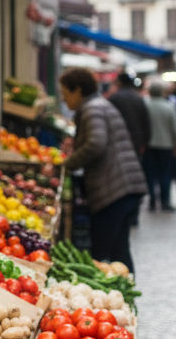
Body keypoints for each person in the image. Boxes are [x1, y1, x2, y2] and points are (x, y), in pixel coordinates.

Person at [59, 67, 147, 272]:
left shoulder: (92, 109)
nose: (64, 101)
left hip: (114, 188)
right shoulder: (100, 105)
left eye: (65, 94)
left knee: (102, 253)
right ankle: (126, 292)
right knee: (119, 249)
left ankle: (115, 295)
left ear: (78, 90)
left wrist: (68, 163)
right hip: (125, 185)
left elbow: (96, 144)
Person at [143, 81, 176, 211]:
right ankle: (165, 200)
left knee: (150, 174)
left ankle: (152, 201)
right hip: (166, 145)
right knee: (165, 174)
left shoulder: (146, 106)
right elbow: (175, 129)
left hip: (149, 145)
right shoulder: (169, 106)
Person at [109, 73, 150, 156]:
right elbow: (145, 121)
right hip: (137, 139)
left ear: (119, 83)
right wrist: (145, 142)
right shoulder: (138, 98)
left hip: (119, 140)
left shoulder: (115, 98)